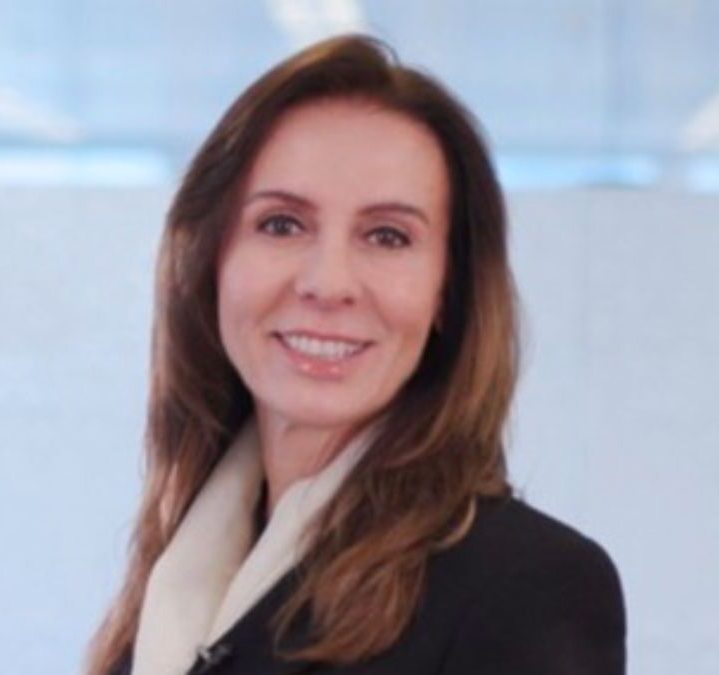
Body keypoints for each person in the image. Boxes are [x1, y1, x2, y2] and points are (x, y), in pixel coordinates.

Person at [83, 34, 626, 675]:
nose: (327, 282)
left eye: (387, 236)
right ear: (211, 260)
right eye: (282, 224)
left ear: (447, 292)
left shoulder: (531, 588)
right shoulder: (182, 573)